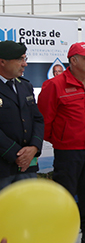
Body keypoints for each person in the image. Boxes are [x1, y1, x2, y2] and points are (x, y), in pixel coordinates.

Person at [39, 42, 85, 243]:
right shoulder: (54, 85)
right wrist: (61, 139)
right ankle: (61, 242)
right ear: (73, 61)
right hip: (67, 152)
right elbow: (44, 121)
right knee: (64, 198)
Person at [0, 41, 44, 183]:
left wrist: (34, 147)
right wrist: (16, 154)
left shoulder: (25, 85)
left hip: (27, 167)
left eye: (25, 59)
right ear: (2, 62)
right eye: (20, 59)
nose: (24, 64)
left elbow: (37, 119)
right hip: (3, 168)